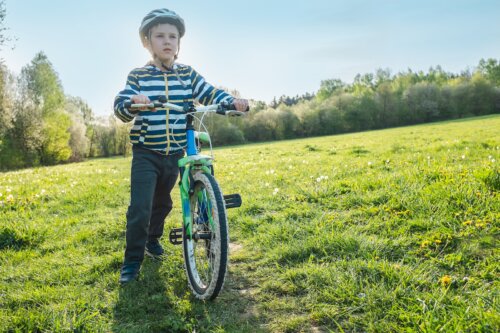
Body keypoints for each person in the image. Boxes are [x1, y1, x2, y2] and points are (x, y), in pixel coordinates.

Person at [114, 8, 249, 284]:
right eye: (160, 36)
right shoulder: (139, 75)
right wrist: (132, 102)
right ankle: (132, 262)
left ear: (179, 43)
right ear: (147, 42)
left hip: (175, 153)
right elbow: (121, 103)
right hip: (146, 152)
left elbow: (209, 92)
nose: (167, 41)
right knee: (140, 207)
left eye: (172, 36)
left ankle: (153, 239)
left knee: (162, 203)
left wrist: (231, 101)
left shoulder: (187, 74)